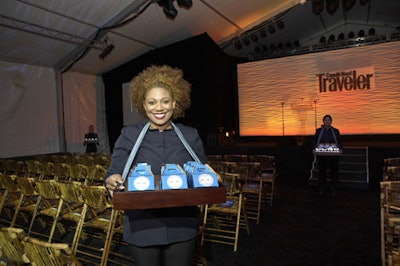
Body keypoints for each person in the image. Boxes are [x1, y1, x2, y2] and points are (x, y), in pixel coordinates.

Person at [104, 65, 207, 266]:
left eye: (165, 101)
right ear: (143, 104)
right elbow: (114, 170)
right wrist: (111, 179)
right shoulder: (129, 134)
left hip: (182, 225)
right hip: (142, 225)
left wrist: (212, 178)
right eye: (152, 102)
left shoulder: (190, 135)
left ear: (174, 103)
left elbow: (201, 171)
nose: (158, 108)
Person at [314, 114, 342, 196]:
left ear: (331, 121)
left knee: (333, 171)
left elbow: (339, 142)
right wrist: (314, 148)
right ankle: (322, 187)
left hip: (333, 155)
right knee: (322, 171)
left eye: (329, 120)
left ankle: (333, 187)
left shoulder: (335, 131)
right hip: (322, 155)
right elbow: (315, 141)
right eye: (325, 120)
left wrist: (340, 149)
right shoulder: (318, 130)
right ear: (323, 121)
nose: (327, 121)